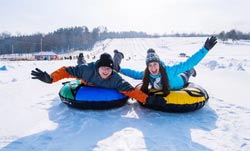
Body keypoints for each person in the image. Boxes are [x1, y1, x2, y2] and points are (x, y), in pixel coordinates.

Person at [31, 53, 167, 107]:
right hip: (86, 80)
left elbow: (130, 90)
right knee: (80, 64)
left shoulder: (115, 79)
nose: (106, 72)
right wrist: (51, 78)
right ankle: (81, 58)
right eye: (104, 68)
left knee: (114, 63)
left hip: (100, 75)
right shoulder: (87, 70)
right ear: (98, 67)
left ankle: (118, 56)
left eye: (109, 69)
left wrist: (149, 100)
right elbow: (66, 70)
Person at [114, 36, 217, 96]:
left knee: (187, 71)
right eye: (150, 65)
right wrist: (120, 69)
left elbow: (188, 63)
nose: (153, 68)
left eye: (155, 64)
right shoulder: (148, 75)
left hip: (180, 81)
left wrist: (205, 49)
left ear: (159, 64)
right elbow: (135, 74)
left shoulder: (169, 71)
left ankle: (191, 71)